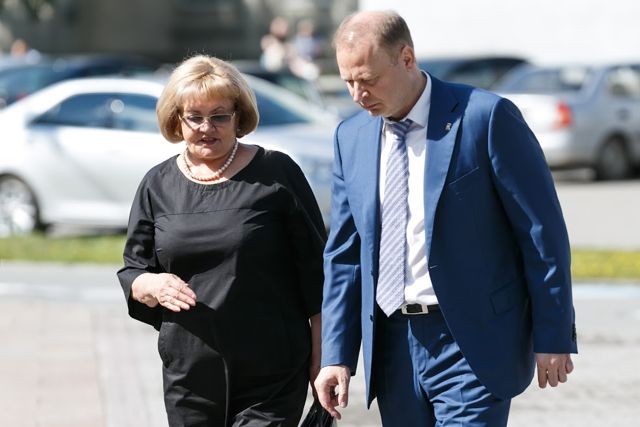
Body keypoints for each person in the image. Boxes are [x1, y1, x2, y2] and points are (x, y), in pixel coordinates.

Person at [314, 10, 577, 426]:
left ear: (406, 58)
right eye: (348, 81)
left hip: (470, 342)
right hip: (392, 347)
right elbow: (345, 255)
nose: (358, 95)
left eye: (368, 79)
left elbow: (540, 233)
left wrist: (553, 333)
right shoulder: (351, 137)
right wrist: (336, 355)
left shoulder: (485, 118)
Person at [117, 55, 326, 426]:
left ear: (238, 116)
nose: (206, 127)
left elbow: (318, 276)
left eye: (219, 116)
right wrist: (154, 284)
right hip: (190, 375)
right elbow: (134, 270)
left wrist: (324, 360)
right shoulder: (157, 185)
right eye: (194, 117)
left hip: (272, 373)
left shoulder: (276, 174)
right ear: (176, 119)